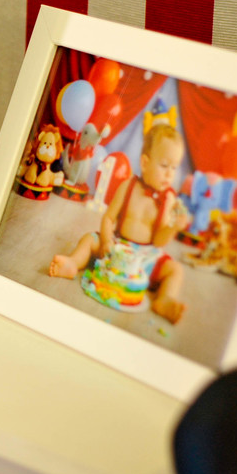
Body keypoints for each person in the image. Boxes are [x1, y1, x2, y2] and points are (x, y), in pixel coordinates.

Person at [49, 122, 192, 323]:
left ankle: (165, 299)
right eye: (164, 165)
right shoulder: (128, 186)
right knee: (89, 239)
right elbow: (109, 218)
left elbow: (159, 241)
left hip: (145, 259)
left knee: (175, 270)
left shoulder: (168, 199)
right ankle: (73, 263)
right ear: (145, 163)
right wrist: (107, 241)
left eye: (174, 168)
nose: (170, 173)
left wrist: (172, 228)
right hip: (116, 248)